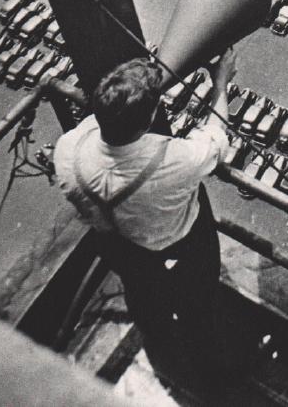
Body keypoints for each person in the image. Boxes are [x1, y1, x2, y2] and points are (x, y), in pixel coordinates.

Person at [53, 51, 236, 376]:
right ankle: (207, 363)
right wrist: (221, 85)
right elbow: (215, 138)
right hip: (186, 242)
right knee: (199, 303)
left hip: (124, 249)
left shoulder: (68, 150)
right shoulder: (174, 159)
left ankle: (161, 345)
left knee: (144, 299)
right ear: (148, 121)